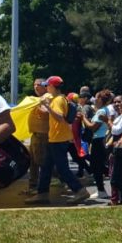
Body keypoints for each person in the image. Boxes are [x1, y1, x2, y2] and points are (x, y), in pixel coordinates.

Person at [26, 76, 90, 205]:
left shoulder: (58, 100)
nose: (46, 88)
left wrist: (48, 107)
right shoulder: (60, 98)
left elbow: (60, 117)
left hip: (58, 139)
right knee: (46, 167)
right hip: (55, 138)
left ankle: (80, 190)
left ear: (51, 86)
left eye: (47, 85)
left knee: (62, 169)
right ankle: (42, 194)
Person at [83, 91, 111, 199]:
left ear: (100, 99)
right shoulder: (103, 110)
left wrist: (83, 118)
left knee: (96, 167)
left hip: (99, 140)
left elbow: (93, 127)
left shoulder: (101, 111)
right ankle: (101, 189)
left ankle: (101, 190)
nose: (94, 100)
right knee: (97, 166)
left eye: (96, 98)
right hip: (99, 139)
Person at [24, 78, 49, 195]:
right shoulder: (37, 99)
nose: (35, 87)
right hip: (35, 134)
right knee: (33, 162)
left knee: (41, 161)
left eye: (38, 84)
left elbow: (46, 113)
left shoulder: (47, 97)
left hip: (42, 135)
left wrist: (37, 104)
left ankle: (41, 188)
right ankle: (33, 186)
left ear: (45, 85)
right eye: (34, 84)